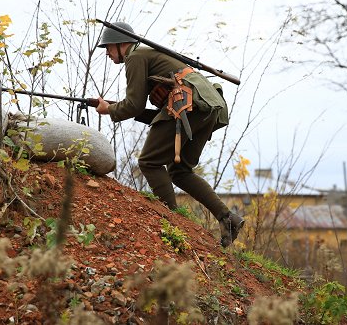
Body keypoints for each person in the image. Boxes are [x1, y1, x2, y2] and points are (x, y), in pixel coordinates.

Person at [94, 22, 244, 247]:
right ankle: (227, 218)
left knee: (149, 162)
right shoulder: (149, 54)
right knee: (180, 170)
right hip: (208, 107)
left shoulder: (135, 57)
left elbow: (133, 106)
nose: (107, 53)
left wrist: (109, 109)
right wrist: (118, 106)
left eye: (108, 48)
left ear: (121, 43)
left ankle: (173, 223)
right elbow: (149, 108)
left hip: (189, 106)